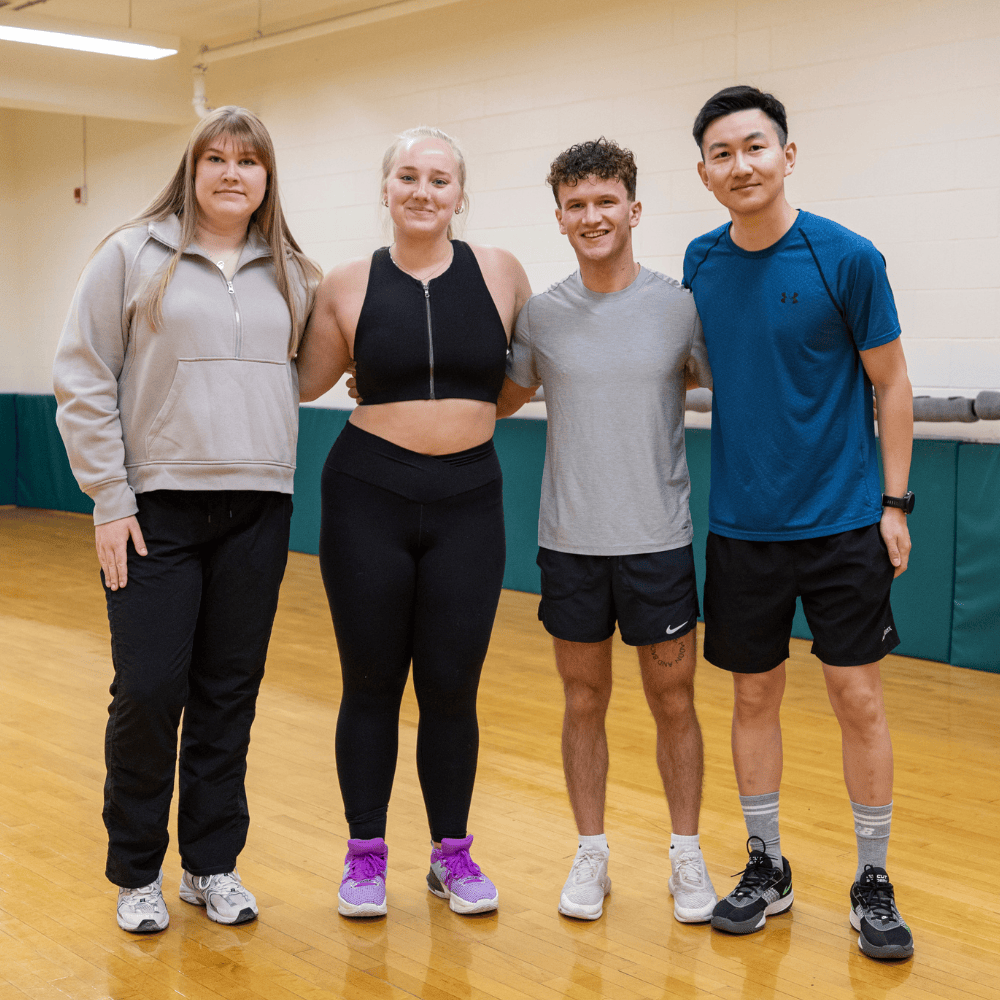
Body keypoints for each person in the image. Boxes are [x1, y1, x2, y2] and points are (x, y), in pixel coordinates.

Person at [52, 106, 321, 934]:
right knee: (148, 689)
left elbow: (305, 374)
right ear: (192, 168)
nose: (232, 173)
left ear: (267, 176)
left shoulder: (293, 271)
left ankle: (211, 865)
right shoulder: (131, 254)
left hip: (258, 506)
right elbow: (84, 376)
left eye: (249, 160)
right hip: (153, 511)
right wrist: (109, 496)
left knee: (227, 694)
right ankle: (137, 871)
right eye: (216, 157)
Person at [684, 86, 914, 960]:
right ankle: (766, 864)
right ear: (704, 173)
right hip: (743, 528)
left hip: (845, 524)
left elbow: (892, 385)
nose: (740, 165)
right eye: (721, 153)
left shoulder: (846, 257)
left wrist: (895, 504)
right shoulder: (700, 261)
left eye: (754, 147)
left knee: (857, 697)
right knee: (752, 696)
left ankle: (872, 879)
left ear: (787, 154)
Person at [296, 126, 531, 918]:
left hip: (470, 501)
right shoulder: (347, 284)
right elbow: (303, 380)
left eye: (439, 179)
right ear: (386, 190)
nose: (423, 191)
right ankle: (365, 859)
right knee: (369, 683)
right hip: (369, 497)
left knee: (451, 688)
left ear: (461, 194)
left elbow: (521, 377)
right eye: (408, 176)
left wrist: (457, 419)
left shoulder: (500, 273)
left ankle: (452, 857)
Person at [497, 138, 717, 924]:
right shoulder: (542, 315)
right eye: (576, 205)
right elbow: (499, 397)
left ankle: (686, 855)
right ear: (559, 217)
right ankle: (591, 852)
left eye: (605, 201)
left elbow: (740, 375)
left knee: (674, 700)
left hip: (658, 538)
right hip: (570, 542)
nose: (592, 216)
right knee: (583, 698)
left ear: (633, 208)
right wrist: (388, 379)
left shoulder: (681, 306)